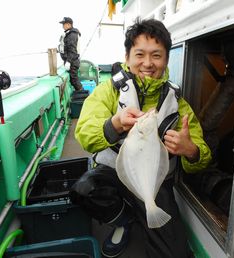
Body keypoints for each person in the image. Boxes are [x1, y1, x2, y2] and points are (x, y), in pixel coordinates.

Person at [71, 18, 212, 258]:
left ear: (166, 59)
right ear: (127, 57)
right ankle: (123, 220)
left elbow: (201, 153)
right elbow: (85, 133)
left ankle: (145, 212)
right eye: (140, 54)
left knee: (175, 254)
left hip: (154, 183)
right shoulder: (109, 91)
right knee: (84, 189)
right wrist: (113, 124)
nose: (148, 63)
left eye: (156, 55)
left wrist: (191, 150)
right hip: (114, 173)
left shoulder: (177, 103)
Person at [58, 17, 83, 91]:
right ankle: (81, 93)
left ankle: (82, 94)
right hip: (72, 60)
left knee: (74, 80)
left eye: (64, 24)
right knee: (73, 80)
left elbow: (72, 50)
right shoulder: (68, 33)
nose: (63, 26)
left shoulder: (72, 34)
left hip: (72, 61)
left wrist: (68, 61)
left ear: (69, 24)